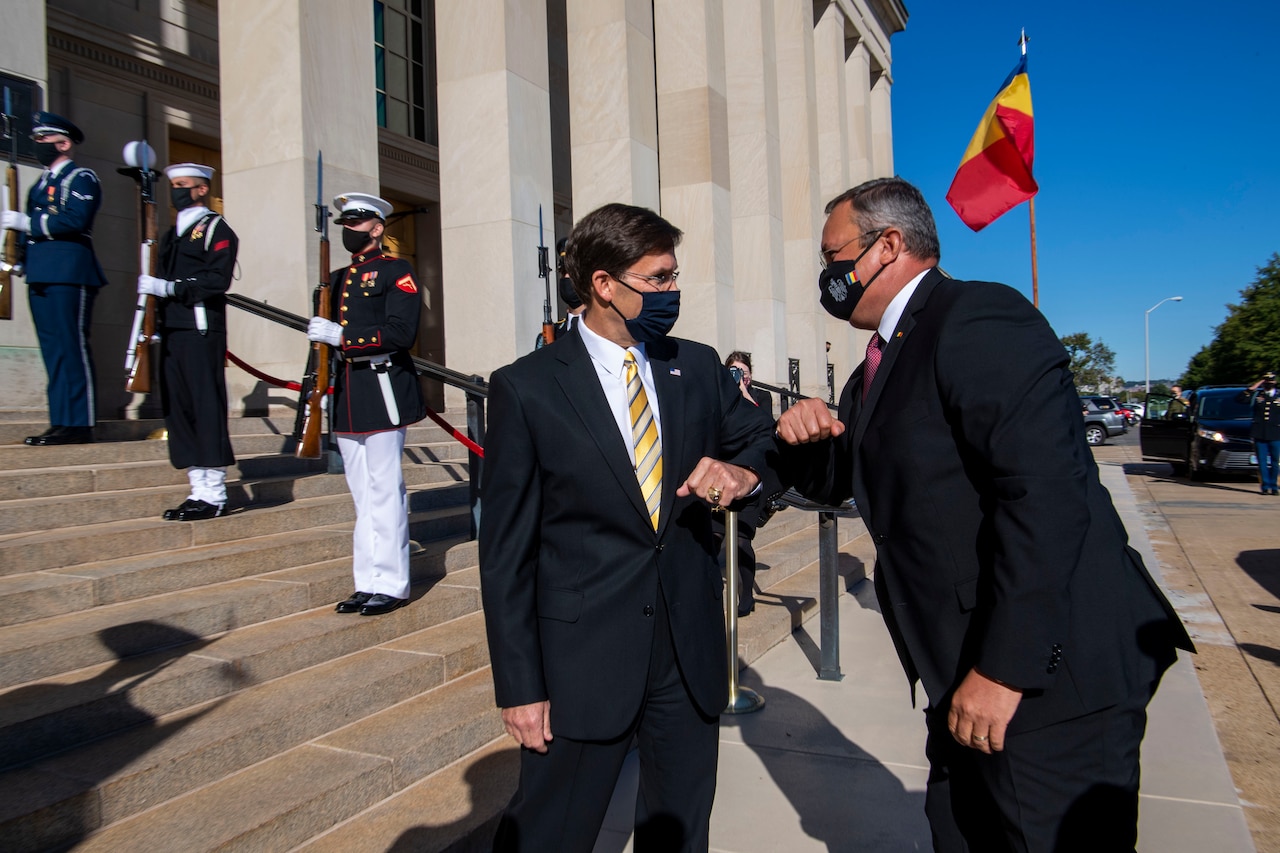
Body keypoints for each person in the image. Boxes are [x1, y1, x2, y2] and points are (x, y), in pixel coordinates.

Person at [772, 177, 1194, 851]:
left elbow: (1046, 500)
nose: (827, 276)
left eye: (833, 256)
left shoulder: (977, 319)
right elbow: (846, 480)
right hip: (963, 679)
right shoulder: (875, 365)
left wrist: (1006, 671)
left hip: (1049, 683)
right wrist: (803, 436)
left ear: (889, 245)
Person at [479, 202, 773, 852]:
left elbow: (762, 441)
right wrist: (520, 686)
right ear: (604, 285)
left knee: (679, 834)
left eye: (673, 276)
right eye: (658, 279)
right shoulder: (525, 389)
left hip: (686, 657)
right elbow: (506, 555)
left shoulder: (695, 367)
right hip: (582, 666)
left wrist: (743, 473)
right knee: (548, 835)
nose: (673, 291)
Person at [307, 192, 426, 616]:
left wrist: (343, 338)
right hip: (348, 394)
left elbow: (400, 332)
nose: (349, 232)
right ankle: (367, 580)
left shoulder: (397, 271)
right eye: (344, 226)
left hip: (382, 387)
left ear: (377, 228)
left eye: (356, 224)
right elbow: (322, 345)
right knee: (361, 494)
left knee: (384, 490)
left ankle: (392, 584)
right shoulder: (336, 279)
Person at [136, 163, 239, 521]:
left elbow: (216, 280)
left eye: (184, 185)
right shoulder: (169, 234)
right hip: (172, 330)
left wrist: (169, 288)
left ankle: (214, 494)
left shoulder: (215, 228)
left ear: (202, 189)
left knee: (204, 408)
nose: (177, 190)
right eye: (173, 184)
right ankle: (197, 489)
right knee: (178, 412)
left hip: (199, 329)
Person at [1, 112, 107, 446]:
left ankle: (80, 423)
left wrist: (26, 223)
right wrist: (15, 253)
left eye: (43, 139)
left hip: (69, 271)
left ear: (64, 143)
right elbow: (30, 224)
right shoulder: (41, 182)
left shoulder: (81, 177)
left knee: (70, 346)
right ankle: (61, 420)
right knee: (53, 350)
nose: (38, 144)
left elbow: (75, 219)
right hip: (42, 271)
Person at [717, 350, 775, 616]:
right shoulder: (720, 398)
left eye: (743, 371)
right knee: (714, 536)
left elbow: (766, 426)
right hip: (724, 476)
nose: (739, 375)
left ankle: (746, 596)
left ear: (750, 374)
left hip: (750, 479)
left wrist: (743, 391)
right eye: (733, 371)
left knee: (740, 541)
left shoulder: (761, 397)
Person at [1238, 372, 1280, 495]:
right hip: (1259, 433)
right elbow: (1240, 399)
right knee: (1262, 462)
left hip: (1276, 433)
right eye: (1266, 381)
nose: (1269, 384)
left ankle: (1274, 486)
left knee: (1275, 461)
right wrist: (1254, 387)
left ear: (1275, 382)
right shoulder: (1257, 395)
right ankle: (1265, 486)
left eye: (1271, 381)